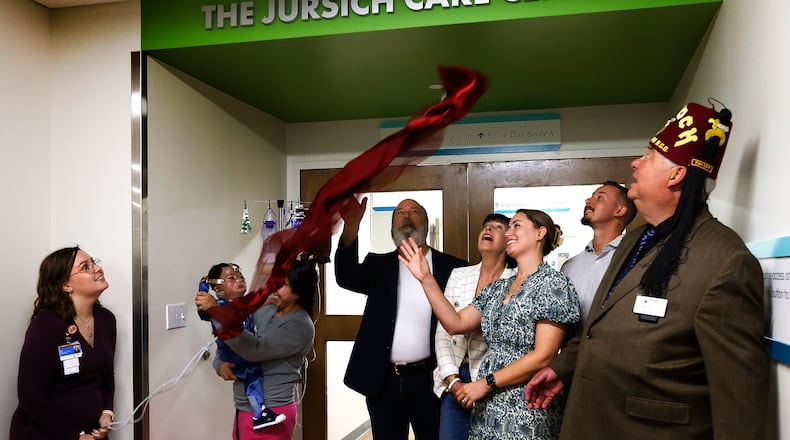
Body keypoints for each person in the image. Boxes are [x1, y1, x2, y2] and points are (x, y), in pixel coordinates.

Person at [526, 102, 770, 438]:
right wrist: (562, 369)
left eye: (649, 156)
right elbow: (602, 325)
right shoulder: (637, 238)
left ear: (676, 174)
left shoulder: (725, 261)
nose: (635, 163)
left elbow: (739, 403)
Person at [399, 209, 581, 440]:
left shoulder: (553, 284)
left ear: (540, 233)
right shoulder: (498, 288)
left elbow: (543, 356)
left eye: (516, 225)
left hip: (526, 403)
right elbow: (455, 323)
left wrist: (485, 384)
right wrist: (426, 278)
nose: (508, 233)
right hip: (488, 406)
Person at [334, 197, 468, 440]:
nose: (406, 216)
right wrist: (351, 227)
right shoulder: (379, 265)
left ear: (426, 225)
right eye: (399, 213)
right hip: (384, 381)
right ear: (392, 226)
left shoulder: (453, 268)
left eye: (414, 211)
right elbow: (346, 277)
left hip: (433, 379)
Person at [197, 258, 317, 440]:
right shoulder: (265, 310)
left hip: (272, 411)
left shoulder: (300, 326)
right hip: (244, 407)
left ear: (298, 292)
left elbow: (254, 350)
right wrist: (219, 364)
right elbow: (232, 345)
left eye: (282, 284)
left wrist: (217, 311)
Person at [11, 246, 116, 440]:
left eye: (94, 263)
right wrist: (73, 436)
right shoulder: (47, 324)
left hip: (90, 433)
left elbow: (106, 374)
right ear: (65, 285)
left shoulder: (106, 320)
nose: (97, 269)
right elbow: (31, 398)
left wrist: (107, 412)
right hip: (46, 434)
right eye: (86, 267)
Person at [433, 213, 516, 440]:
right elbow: (443, 331)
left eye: (497, 227)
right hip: (454, 381)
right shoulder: (459, 275)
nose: (488, 229)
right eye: (486, 226)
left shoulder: (516, 280)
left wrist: (484, 384)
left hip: (494, 382)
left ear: (509, 239)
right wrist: (453, 380)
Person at [196, 263, 286, 430]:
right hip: (234, 357)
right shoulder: (220, 306)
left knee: (253, 372)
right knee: (253, 372)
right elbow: (205, 310)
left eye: (240, 276)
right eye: (231, 278)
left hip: (277, 396)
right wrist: (204, 289)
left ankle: (260, 413)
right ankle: (259, 413)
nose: (239, 279)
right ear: (217, 287)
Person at [561, 181, 636, 321]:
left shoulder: (634, 261)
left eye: (600, 197)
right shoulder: (569, 266)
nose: (588, 201)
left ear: (619, 210)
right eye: (591, 196)